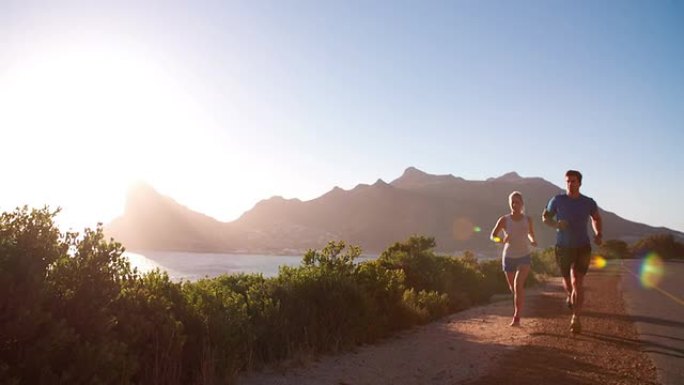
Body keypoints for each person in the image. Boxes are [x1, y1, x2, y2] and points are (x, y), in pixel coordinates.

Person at [542, 170, 602, 334]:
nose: (570, 184)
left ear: (580, 183)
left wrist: (598, 233)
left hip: (582, 246)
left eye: (573, 181)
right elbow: (545, 217)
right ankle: (570, 295)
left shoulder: (588, 202)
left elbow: (596, 218)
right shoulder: (557, 200)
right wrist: (556, 225)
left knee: (577, 282)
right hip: (563, 247)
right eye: (567, 181)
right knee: (568, 283)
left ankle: (576, 317)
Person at [490, 191, 538, 326]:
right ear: (510, 204)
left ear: (522, 204)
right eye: (513, 202)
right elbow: (492, 235)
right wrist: (501, 240)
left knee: (518, 285)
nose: (515, 204)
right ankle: (519, 301)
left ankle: (517, 316)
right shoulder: (504, 220)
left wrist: (533, 240)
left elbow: (530, 234)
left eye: (517, 202)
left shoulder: (527, 219)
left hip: (524, 256)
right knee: (514, 289)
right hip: (509, 257)